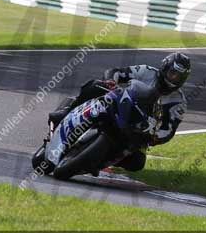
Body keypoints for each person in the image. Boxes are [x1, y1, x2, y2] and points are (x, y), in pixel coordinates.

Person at [47, 53, 191, 171]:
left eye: (179, 77)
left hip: (140, 129)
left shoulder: (179, 102)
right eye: (172, 73)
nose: (174, 78)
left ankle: (100, 160)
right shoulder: (147, 71)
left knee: (137, 163)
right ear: (164, 68)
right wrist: (111, 81)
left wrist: (154, 137)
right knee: (96, 86)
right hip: (121, 104)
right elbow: (117, 72)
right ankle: (66, 111)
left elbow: (169, 130)